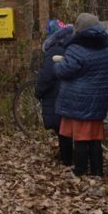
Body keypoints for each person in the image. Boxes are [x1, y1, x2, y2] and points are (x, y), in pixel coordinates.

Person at [53, 14, 108, 176]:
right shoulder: (107, 43)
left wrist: (57, 66)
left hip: (78, 99)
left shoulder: (76, 47)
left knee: (81, 136)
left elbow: (65, 70)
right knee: (95, 136)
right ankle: (98, 170)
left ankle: (80, 170)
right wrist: (103, 78)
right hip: (99, 96)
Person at [36, 20, 75, 165]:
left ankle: (67, 158)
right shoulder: (70, 45)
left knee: (61, 127)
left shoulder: (53, 50)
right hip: (70, 92)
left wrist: (38, 91)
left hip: (57, 94)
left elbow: (47, 75)